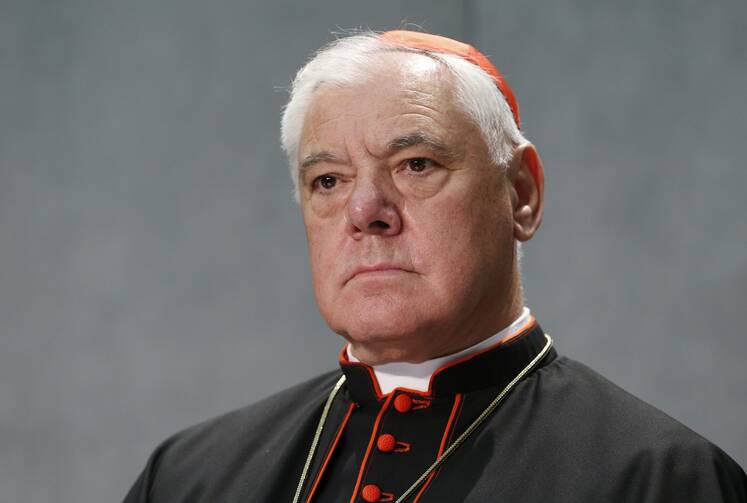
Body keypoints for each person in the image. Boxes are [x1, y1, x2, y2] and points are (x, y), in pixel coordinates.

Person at [124, 30, 746, 503]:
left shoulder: (660, 478)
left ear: (521, 194)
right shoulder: (188, 477)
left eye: (416, 164)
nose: (366, 211)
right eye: (329, 180)